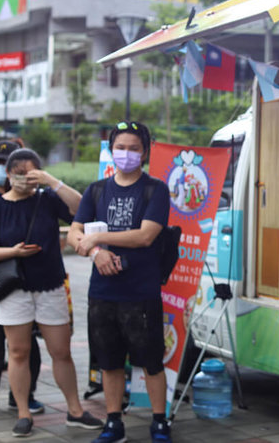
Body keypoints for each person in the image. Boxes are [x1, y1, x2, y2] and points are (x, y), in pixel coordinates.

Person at [0, 147, 103, 437]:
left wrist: (52, 181)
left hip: (50, 285)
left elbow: (82, 208)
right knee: (18, 351)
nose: (28, 179)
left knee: (61, 351)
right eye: (22, 174)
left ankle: (75, 411)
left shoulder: (48, 200)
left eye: (33, 174)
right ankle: (24, 413)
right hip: (12, 289)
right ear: (10, 174)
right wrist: (12, 252)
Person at [67, 121, 171, 443]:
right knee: (109, 360)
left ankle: (159, 421)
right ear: (111, 150)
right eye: (120, 148)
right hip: (102, 292)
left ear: (145, 152)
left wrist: (96, 235)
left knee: (151, 361)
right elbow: (74, 233)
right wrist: (96, 250)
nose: (126, 154)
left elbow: (145, 235)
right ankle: (113, 422)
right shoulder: (97, 190)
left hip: (140, 291)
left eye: (133, 148)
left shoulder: (156, 189)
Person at [0, 139, 45, 417]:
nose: (0, 168)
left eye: (5, 162)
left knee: (24, 345)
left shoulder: (35, 199)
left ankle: (23, 396)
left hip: (25, 283)